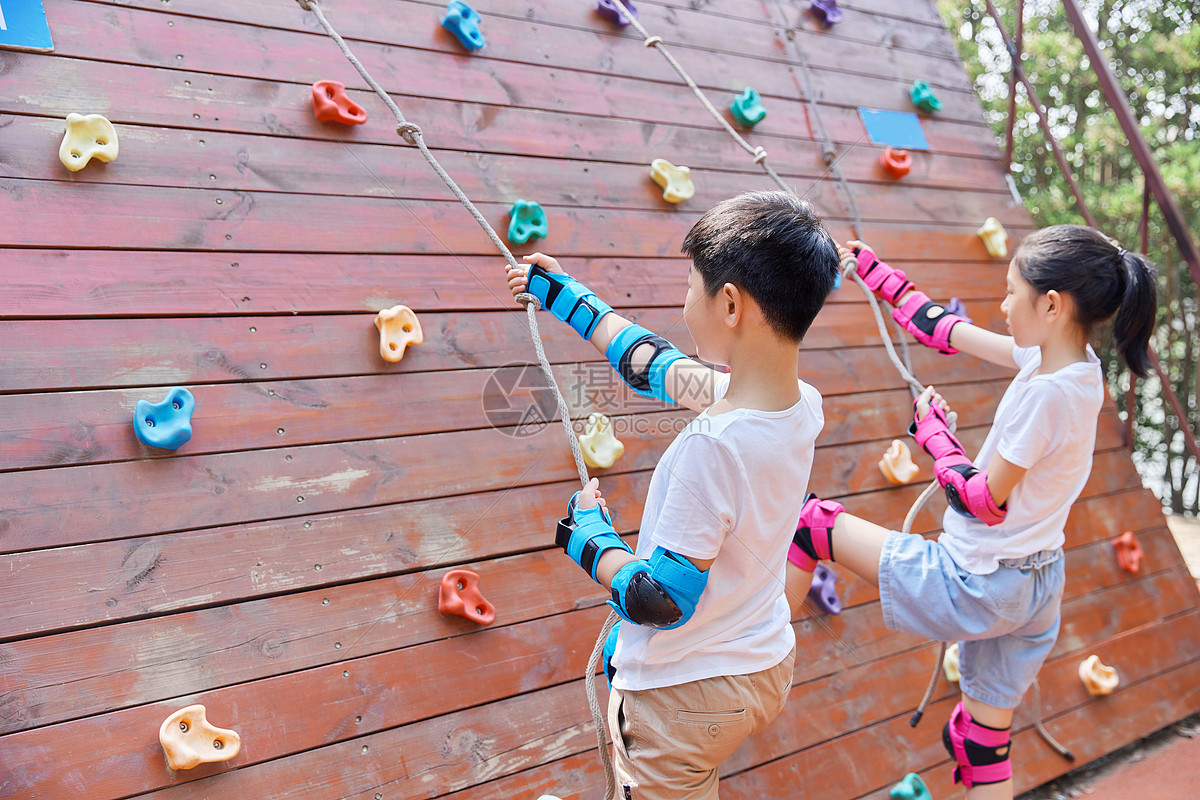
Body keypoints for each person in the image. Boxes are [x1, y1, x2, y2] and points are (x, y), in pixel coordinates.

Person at [785, 225, 1157, 799]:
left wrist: (935, 437)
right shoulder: (1073, 367)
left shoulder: (1047, 392)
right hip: (1036, 590)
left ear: (1051, 305)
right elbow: (942, 329)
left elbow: (983, 500)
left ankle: (752, 652)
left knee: (811, 525)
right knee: (983, 745)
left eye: (1011, 293)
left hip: (977, 583)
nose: (1002, 306)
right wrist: (876, 273)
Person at [505, 191, 841, 799]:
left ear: (730, 304)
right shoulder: (798, 403)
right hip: (759, 664)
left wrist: (589, 539)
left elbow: (660, 599)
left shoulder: (712, 444)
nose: (685, 305)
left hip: (688, 693)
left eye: (692, 287)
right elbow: (649, 365)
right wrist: (566, 297)